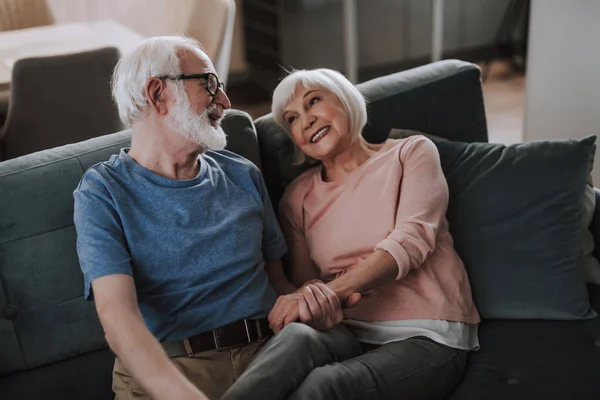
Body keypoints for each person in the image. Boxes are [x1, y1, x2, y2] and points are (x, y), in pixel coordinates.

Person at [73, 36, 358, 400]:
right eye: (209, 84)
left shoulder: (242, 174)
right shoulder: (103, 191)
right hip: (172, 371)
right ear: (158, 94)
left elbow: (277, 284)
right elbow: (118, 318)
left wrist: (312, 306)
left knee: (336, 346)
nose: (224, 101)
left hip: (270, 357)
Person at [223, 68, 481, 400]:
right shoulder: (297, 197)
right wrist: (314, 299)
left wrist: (332, 292)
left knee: (322, 387)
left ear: (345, 99)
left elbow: (412, 240)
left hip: (427, 332)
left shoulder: (410, 153)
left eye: (313, 101)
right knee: (296, 339)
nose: (306, 121)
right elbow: (307, 283)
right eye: (292, 120)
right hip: (346, 329)